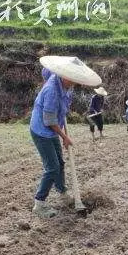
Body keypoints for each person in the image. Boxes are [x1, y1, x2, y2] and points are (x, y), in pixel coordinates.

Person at [30, 55, 101, 218]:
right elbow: (49, 121)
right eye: (73, 79)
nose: (75, 82)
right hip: (42, 131)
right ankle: (39, 204)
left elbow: (45, 71)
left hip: (52, 129)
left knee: (60, 163)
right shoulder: (51, 91)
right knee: (52, 167)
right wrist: (64, 137)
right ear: (65, 75)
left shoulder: (62, 80)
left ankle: (62, 192)